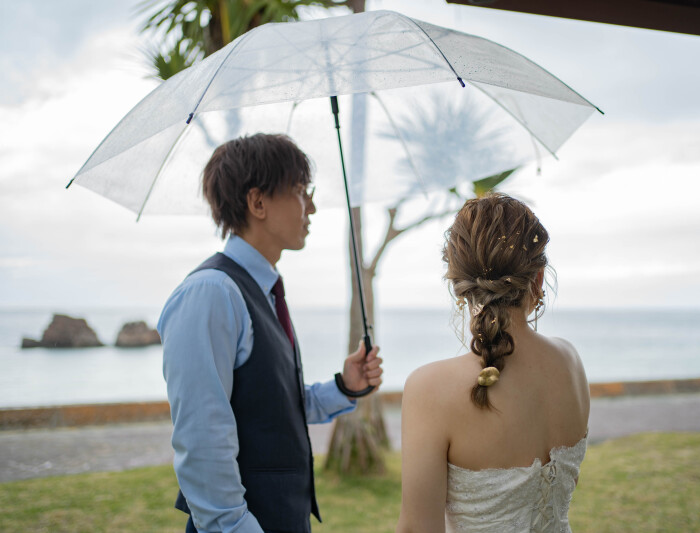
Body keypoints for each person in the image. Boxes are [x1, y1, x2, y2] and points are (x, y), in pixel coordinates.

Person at [158, 133, 383, 533]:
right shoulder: (212, 293)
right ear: (258, 202)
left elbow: (270, 409)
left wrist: (345, 387)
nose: (311, 207)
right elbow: (201, 440)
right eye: (299, 191)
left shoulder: (261, 289)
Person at [396, 193, 590, 533]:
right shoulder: (570, 362)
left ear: (457, 285)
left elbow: (417, 529)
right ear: (539, 279)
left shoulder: (429, 389)